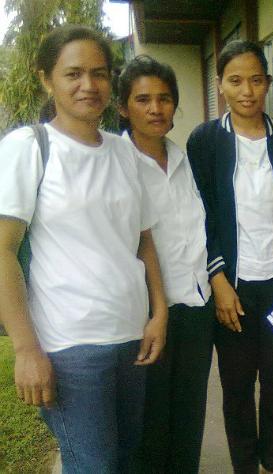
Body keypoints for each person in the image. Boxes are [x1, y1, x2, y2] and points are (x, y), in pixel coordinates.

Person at [0, 25, 168, 472]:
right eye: (73, 73)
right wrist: (26, 350)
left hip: (131, 339)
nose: (88, 85)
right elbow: (3, 252)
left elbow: (144, 239)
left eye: (99, 73)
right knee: (95, 465)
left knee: (127, 459)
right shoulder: (29, 148)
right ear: (46, 79)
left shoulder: (124, 153)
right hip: (70, 348)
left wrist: (159, 313)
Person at [187, 39, 273, 474]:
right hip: (232, 290)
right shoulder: (205, 141)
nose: (247, 91)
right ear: (220, 84)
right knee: (236, 386)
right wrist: (217, 279)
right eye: (236, 80)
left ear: (268, 83)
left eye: (256, 80)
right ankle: (244, 466)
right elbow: (199, 214)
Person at [118, 55, 214, 474]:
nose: (156, 109)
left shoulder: (185, 159)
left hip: (196, 306)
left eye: (164, 99)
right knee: (152, 423)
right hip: (148, 315)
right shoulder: (116, 163)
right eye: (143, 100)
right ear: (123, 107)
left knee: (190, 417)